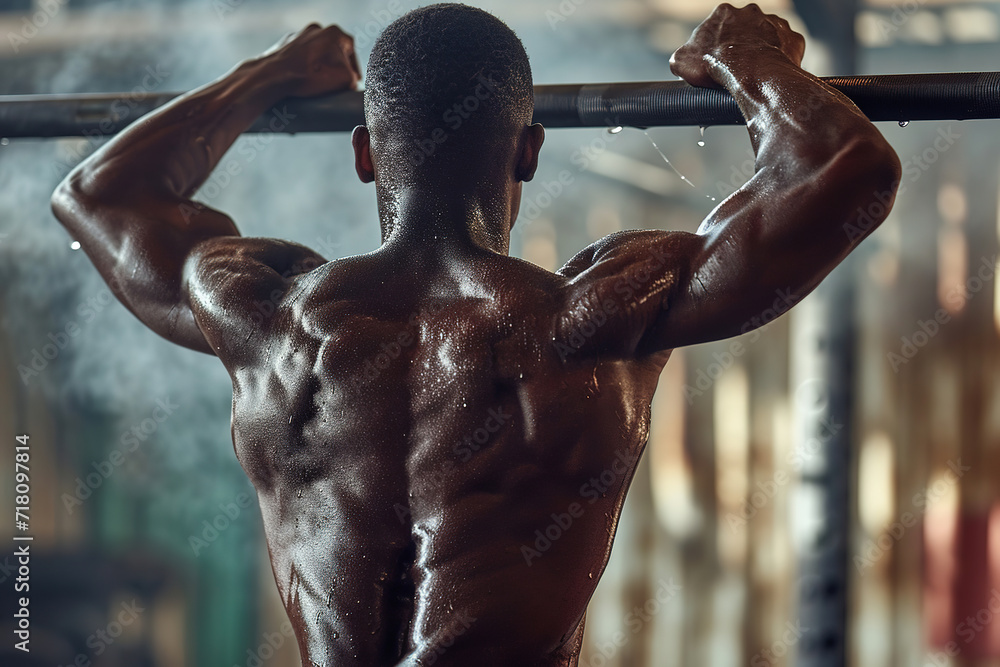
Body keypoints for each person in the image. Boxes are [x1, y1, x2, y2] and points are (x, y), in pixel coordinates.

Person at [51, 3, 901, 665]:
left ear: (364, 155)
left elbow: (102, 195)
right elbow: (844, 168)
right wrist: (744, 61)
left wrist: (270, 75)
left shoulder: (271, 319)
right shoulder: (593, 317)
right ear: (528, 151)